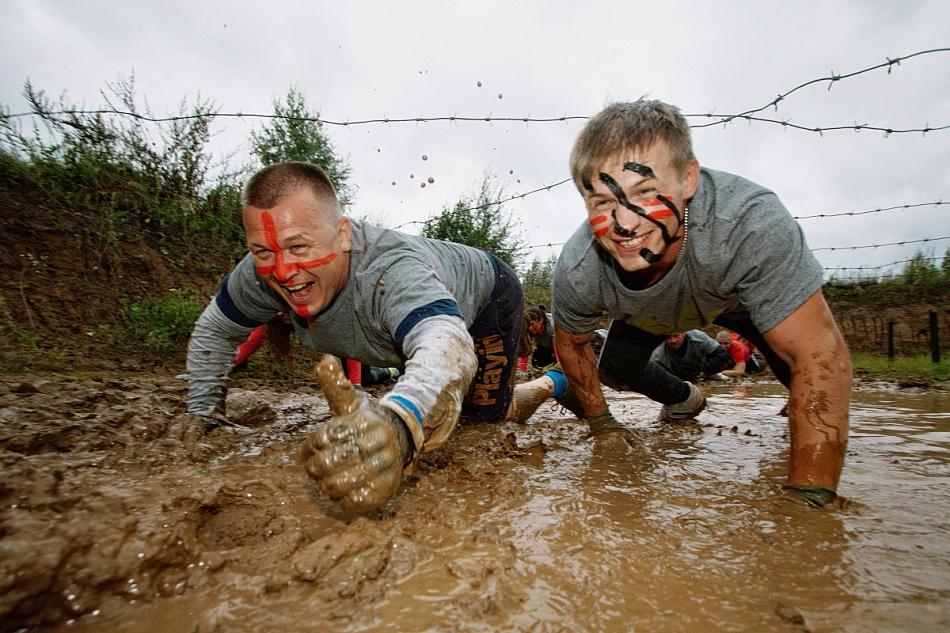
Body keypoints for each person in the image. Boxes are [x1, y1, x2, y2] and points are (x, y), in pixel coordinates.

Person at [185, 161, 568, 514]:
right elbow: (216, 331)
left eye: (299, 246)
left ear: (343, 234)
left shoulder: (390, 270)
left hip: (486, 295)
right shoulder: (257, 274)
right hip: (405, 331)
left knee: (485, 424)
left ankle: (553, 382)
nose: (283, 271)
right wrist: (203, 414)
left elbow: (444, 342)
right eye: (263, 251)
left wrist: (399, 425)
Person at [551, 99, 851, 508]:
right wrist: (602, 425)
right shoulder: (579, 267)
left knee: (790, 359)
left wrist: (809, 499)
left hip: (735, 300)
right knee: (616, 372)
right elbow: (571, 343)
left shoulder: (749, 224)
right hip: (644, 314)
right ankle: (685, 399)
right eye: (603, 202)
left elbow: (821, 354)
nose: (623, 224)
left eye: (646, 191)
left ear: (688, 178)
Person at [650, 330, 733, 381]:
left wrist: (700, 367)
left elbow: (724, 357)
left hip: (700, 370)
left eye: (676, 336)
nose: (672, 341)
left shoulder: (698, 337)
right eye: (668, 337)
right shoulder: (658, 349)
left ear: (684, 333)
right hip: (672, 374)